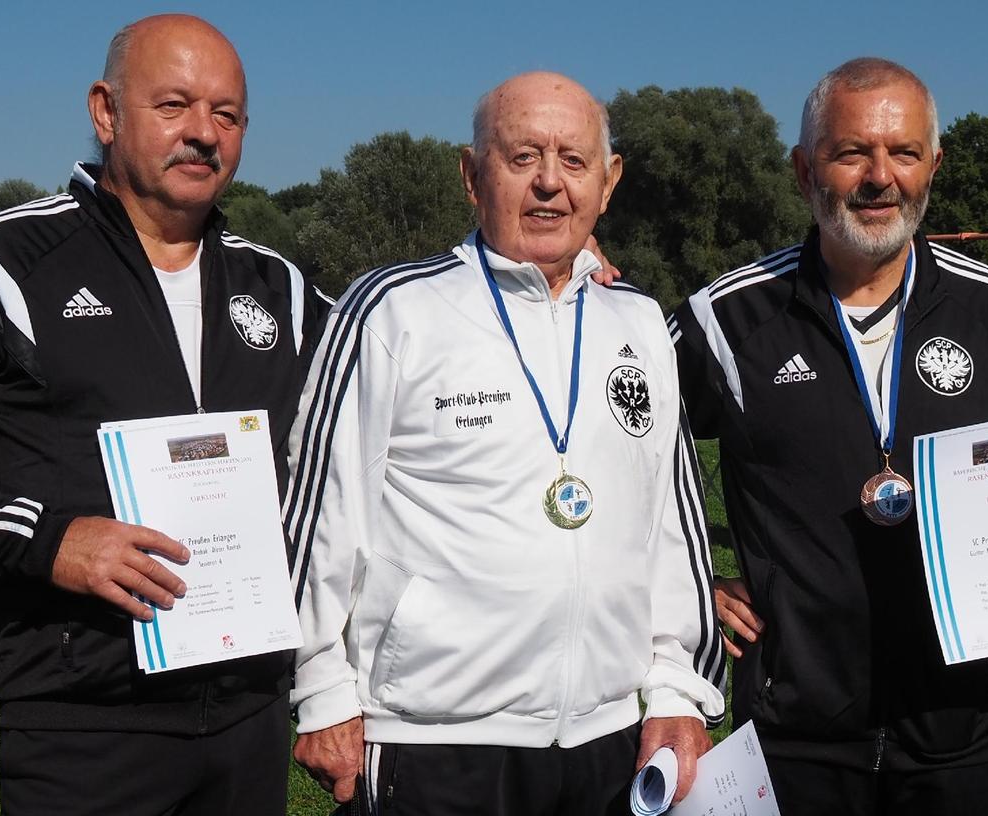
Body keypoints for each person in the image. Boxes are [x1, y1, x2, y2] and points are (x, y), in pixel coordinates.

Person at [0, 14, 333, 814]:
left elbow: (399, 368)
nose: (203, 134)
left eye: (227, 114)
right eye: (174, 105)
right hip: (84, 723)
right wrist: (47, 540)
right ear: (106, 111)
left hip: (249, 715)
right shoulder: (3, 260)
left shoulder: (279, 288)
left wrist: (555, 274)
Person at [670, 58, 988, 815]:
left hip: (961, 724)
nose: (881, 177)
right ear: (805, 169)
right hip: (797, 731)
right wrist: (684, 587)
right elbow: (623, 454)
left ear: (932, 165)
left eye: (903, 153)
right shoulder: (726, 319)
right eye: (851, 153)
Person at [286, 71, 727, 814]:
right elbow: (321, 514)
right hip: (433, 742)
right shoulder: (393, 310)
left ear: (609, 182)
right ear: (471, 175)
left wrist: (676, 688)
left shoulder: (639, 322)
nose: (550, 183)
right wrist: (321, 688)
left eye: (574, 160)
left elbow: (670, 530)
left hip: (612, 738)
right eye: (522, 158)